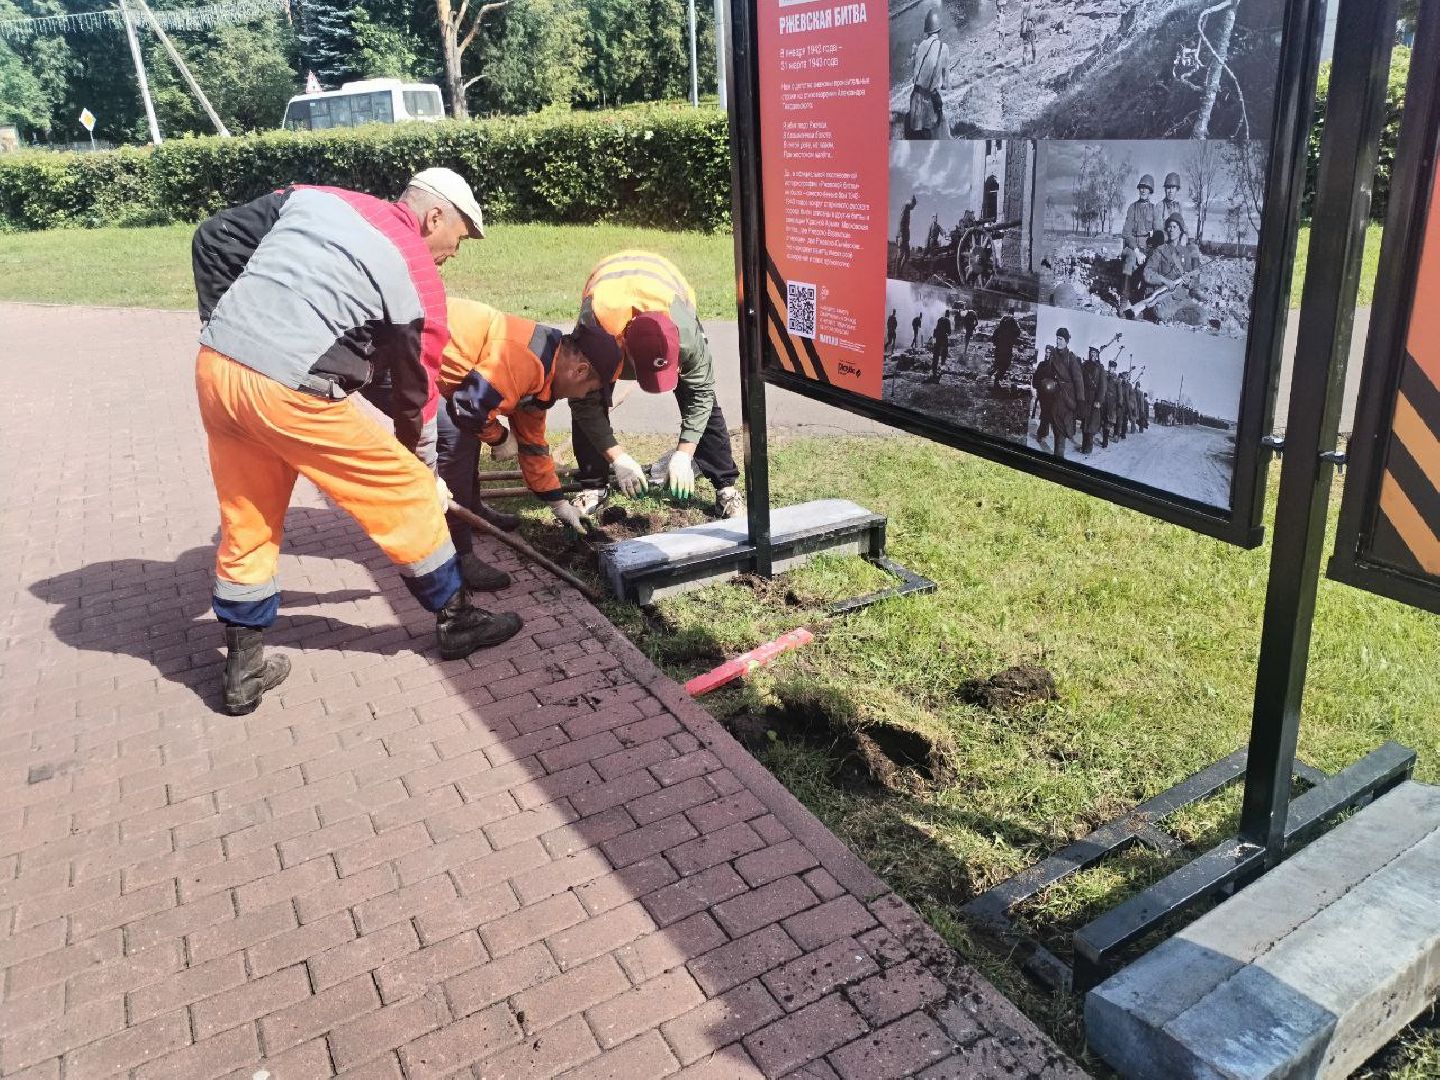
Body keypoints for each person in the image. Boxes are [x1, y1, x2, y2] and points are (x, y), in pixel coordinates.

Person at [191, 169, 522, 715]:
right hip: (290, 391)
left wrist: (228, 322)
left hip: (218, 370)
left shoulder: (318, 199)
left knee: (249, 519)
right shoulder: (418, 276)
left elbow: (213, 236)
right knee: (407, 495)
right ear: (434, 217)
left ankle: (244, 670)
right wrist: (424, 473)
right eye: (459, 238)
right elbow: (417, 397)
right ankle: (458, 620)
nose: (454, 253)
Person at [568, 250, 743, 519]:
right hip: (608, 294)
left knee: (700, 400)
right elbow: (583, 403)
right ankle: (594, 487)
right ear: (625, 352)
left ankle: (726, 488)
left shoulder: (686, 335)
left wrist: (684, 454)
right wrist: (618, 458)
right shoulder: (596, 336)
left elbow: (701, 393)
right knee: (589, 393)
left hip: (665, 287)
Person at [438, 299, 618, 533]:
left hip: (441, 369)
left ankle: (472, 513)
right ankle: (455, 539)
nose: (583, 396)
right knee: (456, 437)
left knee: (467, 434)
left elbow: (532, 445)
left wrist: (558, 503)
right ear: (580, 370)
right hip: (410, 353)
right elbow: (469, 407)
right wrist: (500, 438)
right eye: (589, 390)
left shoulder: (543, 374)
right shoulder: (526, 360)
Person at [1142, 212, 1206, 323]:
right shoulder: (1160, 250)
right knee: (1161, 312)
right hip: (1164, 295)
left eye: (1174, 227)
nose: (1171, 230)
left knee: (1202, 316)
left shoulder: (1185, 252)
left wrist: (1188, 282)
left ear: (1180, 230)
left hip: (1180, 297)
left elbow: (1190, 278)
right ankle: (1172, 316)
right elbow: (1147, 273)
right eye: (1169, 227)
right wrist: (1164, 280)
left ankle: (1174, 316)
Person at [1032, 328, 1083, 459]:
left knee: (1060, 433)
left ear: (1066, 341)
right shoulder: (1053, 356)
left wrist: (1080, 401)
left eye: (1060, 339)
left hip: (1065, 401)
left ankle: (1058, 459)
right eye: (1057, 338)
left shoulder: (1071, 358)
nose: (1058, 341)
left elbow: (1078, 381)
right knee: (1055, 430)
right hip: (1052, 399)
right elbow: (1048, 373)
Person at [905, 8, 950, 139]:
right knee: (935, 135)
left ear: (927, 30)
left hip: (915, 99)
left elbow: (915, 77)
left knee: (917, 138)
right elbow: (945, 84)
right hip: (929, 101)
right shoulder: (944, 48)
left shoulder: (921, 45)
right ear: (939, 29)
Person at [1120, 174, 1159, 298]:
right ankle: (1124, 298)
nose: (1143, 190)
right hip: (1132, 247)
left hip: (1147, 248)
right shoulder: (1132, 207)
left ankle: (1146, 297)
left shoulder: (1154, 209)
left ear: (1150, 191)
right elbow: (1126, 233)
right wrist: (1137, 252)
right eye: (1141, 187)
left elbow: (1158, 233)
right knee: (1130, 259)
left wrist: (1150, 249)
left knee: (1154, 263)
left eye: (1146, 188)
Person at [1080, 345, 1108, 455]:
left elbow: (1103, 386)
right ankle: (1083, 445)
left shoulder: (1100, 368)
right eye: (1091, 353)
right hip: (1085, 397)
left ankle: (1088, 447)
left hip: (1094, 399)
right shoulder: (1084, 365)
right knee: (1084, 422)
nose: (1093, 355)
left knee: (1091, 424)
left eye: (1095, 353)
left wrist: (1099, 400)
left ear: (1097, 355)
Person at [989, 310, 1021, 389]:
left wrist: (998, 344)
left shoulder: (998, 330)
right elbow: (1018, 332)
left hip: (998, 350)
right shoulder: (1012, 331)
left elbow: (993, 339)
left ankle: (993, 370)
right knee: (1005, 365)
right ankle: (996, 379)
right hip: (1007, 351)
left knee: (998, 363)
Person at [928, 308, 953, 382]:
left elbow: (936, 329)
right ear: (948, 314)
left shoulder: (940, 319)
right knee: (944, 353)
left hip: (938, 338)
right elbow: (949, 332)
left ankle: (934, 371)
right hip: (944, 338)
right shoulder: (948, 320)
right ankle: (942, 368)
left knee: (936, 355)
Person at [1103, 358, 1124, 443]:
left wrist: (1120, 403)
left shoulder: (1117, 380)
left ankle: (1105, 441)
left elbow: (1120, 393)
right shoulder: (1104, 375)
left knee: (1108, 422)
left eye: (1112, 367)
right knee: (1102, 420)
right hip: (1103, 401)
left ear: (1114, 369)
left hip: (1111, 404)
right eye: (1109, 366)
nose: (1110, 368)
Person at [897, 195, 918, 274]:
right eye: (914, 205)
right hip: (902, 235)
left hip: (905, 236)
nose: (914, 207)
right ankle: (897, 273)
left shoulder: (908, 209)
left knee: (907, 254)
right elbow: (901, 222)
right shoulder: (905, 208)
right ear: (911, 203)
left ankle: (900, 271)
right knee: (900, 254)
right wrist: (902, 235)